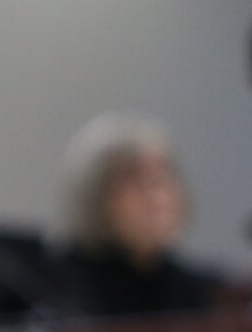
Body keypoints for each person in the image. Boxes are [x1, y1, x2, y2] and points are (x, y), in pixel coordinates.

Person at [57, 115, 227, 319]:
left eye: (163, 178)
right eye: (134, 181)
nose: (156, 197)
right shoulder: (56, 292)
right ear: (96, 196)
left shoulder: (207, 295)